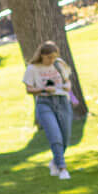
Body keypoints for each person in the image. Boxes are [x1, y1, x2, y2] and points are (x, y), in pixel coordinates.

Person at [23, 41, 81, 180]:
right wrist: (43, 89)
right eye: (49, 57)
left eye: (54, 57)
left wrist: (67, 85)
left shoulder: (59, 64)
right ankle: (62, 169)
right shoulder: (32, 68)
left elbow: (67, 80)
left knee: (65, 137)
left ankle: (55, 162)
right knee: (55, 136)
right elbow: (29, 89)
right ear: (42, 55)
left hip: (62, 101)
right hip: (45, 103)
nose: (51, 60)